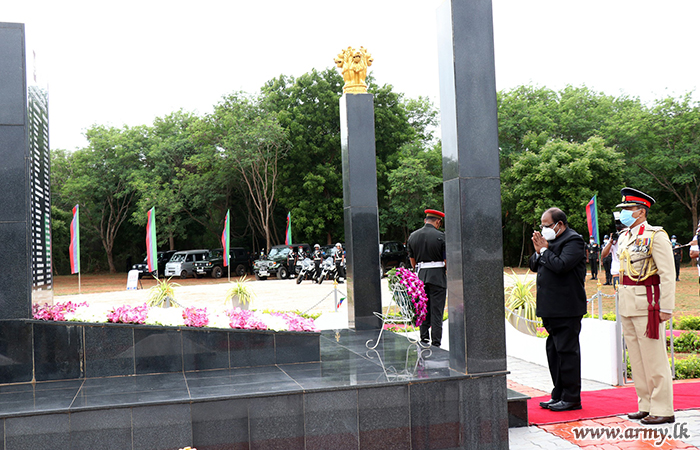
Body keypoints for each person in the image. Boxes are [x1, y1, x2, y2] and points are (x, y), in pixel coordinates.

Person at [616, 187, 675, 425]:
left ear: (640, 212)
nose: (623, 214)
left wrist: (666, 307)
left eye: (627, 209)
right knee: (638, 360)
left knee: (654, 359)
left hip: (648, 305)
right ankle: (646, 404)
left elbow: (667, 274)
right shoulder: (626, 236)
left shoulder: (656, 235)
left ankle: (663, 408)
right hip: (628, 304)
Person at [529, 207, 587, 412]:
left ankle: (572, 397)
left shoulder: (573, 241)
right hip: (550, 308)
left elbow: (561, 265)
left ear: (559, 224)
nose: (543, 230)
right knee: (554, 352)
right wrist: (539, 252)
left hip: (567, 308)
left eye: (546, 225)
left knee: (567, 352)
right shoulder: (549, 242)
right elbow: (534, 265)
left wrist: (544, 250)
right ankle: (559, 394)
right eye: (542, 226)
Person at [407, 209, 446, 347]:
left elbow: (413, 261)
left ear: (425, 220)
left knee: (423, 308)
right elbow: (446, 260)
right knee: (436, 310)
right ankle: (436, 341)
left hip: (421, 276)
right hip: (437, 277)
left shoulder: (412, 236)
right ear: (438, 221)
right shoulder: (441, 236)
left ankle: (424, 338)